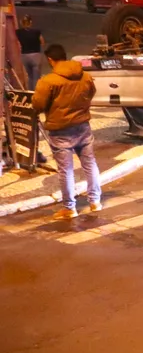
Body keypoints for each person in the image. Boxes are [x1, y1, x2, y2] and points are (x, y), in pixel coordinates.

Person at [31, 44, 102, 220]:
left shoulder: (48, 81)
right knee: (90, 164)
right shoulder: (85, 76)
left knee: (66, 170)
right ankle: (95, 202)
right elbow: (91, 93)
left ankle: (70, 208)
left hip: (60, 130)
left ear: (50, 60)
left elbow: (38, 105)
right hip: (83, 126)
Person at [16, 14, 45, 90]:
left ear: (21, 22)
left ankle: (30, 91)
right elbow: (42, 42)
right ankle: (36, 92)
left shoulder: (18, 32)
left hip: (24, 55)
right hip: (35, 55)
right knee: (36, 76)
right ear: (31, 22)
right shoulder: (36, 32)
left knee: (30, 76)